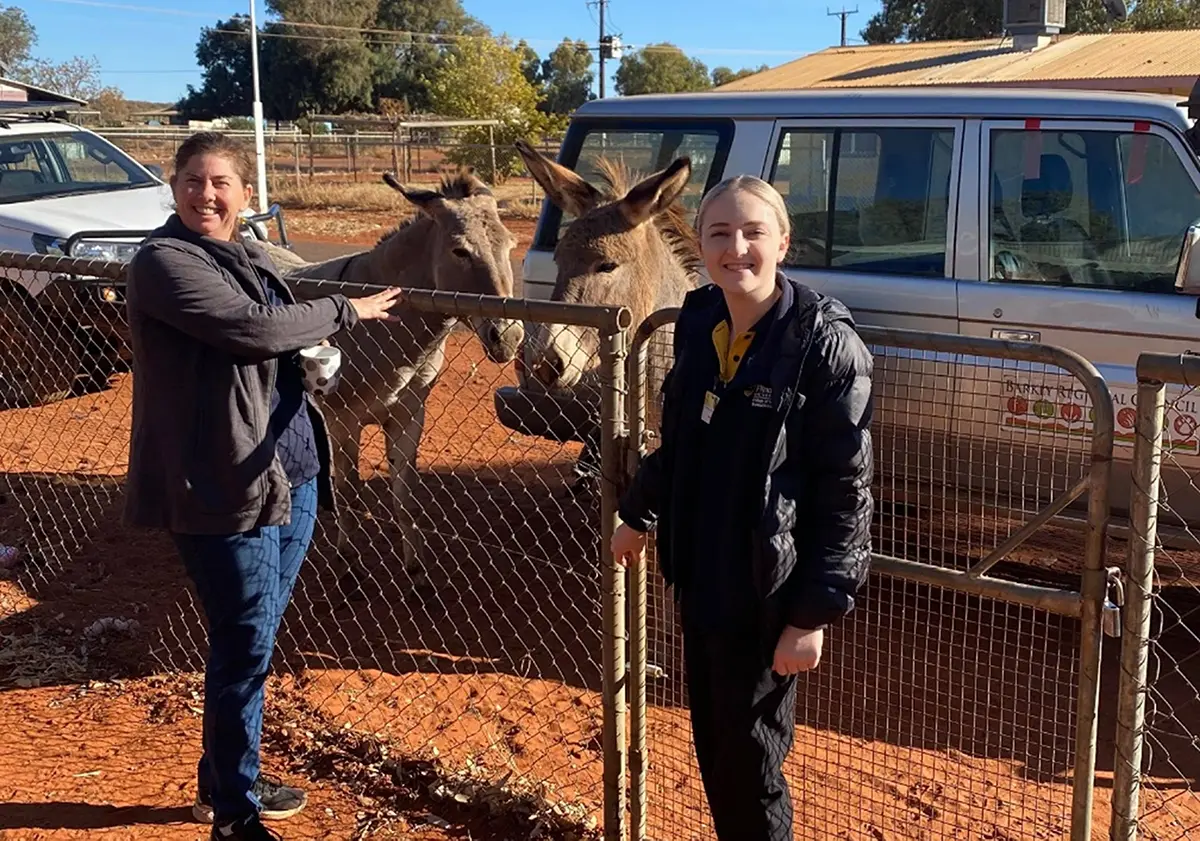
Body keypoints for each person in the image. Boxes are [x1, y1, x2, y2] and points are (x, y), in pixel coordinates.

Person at [123, 131, 404, 841]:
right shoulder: (162, 261)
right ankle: (235, 816)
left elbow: (278, 340)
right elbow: (247, 329)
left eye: (220, 183)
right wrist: (346, 310)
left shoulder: (249, 254)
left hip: (291, 473)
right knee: (244, 643)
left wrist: (314, 360)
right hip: (222, 482)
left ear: (247, 194)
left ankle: (222, 780)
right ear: (174, 184)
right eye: (192, 180)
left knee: (254, 636)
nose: (205, 195)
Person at [611, 175, 875, 840]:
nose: (737, 247)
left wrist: (812, 615)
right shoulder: (701, 323)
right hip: (700, 578)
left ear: (783, 242)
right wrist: (640, 511)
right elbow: (678, 440)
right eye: (719, 233)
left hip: (766, 596)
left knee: (752, 765)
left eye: (753, 231)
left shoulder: (824, 345)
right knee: (716, 752)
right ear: (699, 244)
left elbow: (847, 490)